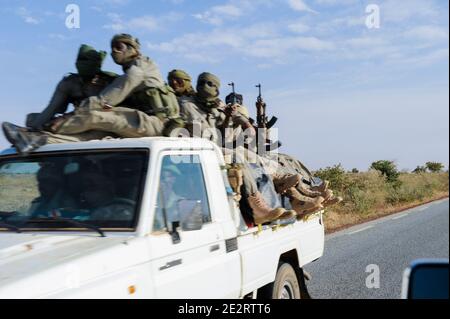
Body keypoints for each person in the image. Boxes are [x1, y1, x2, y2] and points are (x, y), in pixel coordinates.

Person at [2, 34, 182, 155]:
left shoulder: (140, 68)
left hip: (156, 124)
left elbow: (108, 99)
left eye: (119, 47)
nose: (114, 51)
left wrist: (68, 116)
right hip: (139, 123)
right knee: (87, 137)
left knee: (96, 116)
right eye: (112, 48)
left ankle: (40, 131)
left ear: (133, 49)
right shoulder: (72, 82)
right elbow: (52, 107)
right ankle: (37, 139)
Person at [26, 44, 118, 131]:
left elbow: (109, 107)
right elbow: (53, 108)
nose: (83, 64)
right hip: (76, 118)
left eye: (87, 61)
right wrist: (35, 127)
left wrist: (66, 117)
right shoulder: (70, 82)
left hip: (100, 118)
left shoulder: (109, 81)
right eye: (81, 60)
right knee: (31, 119)